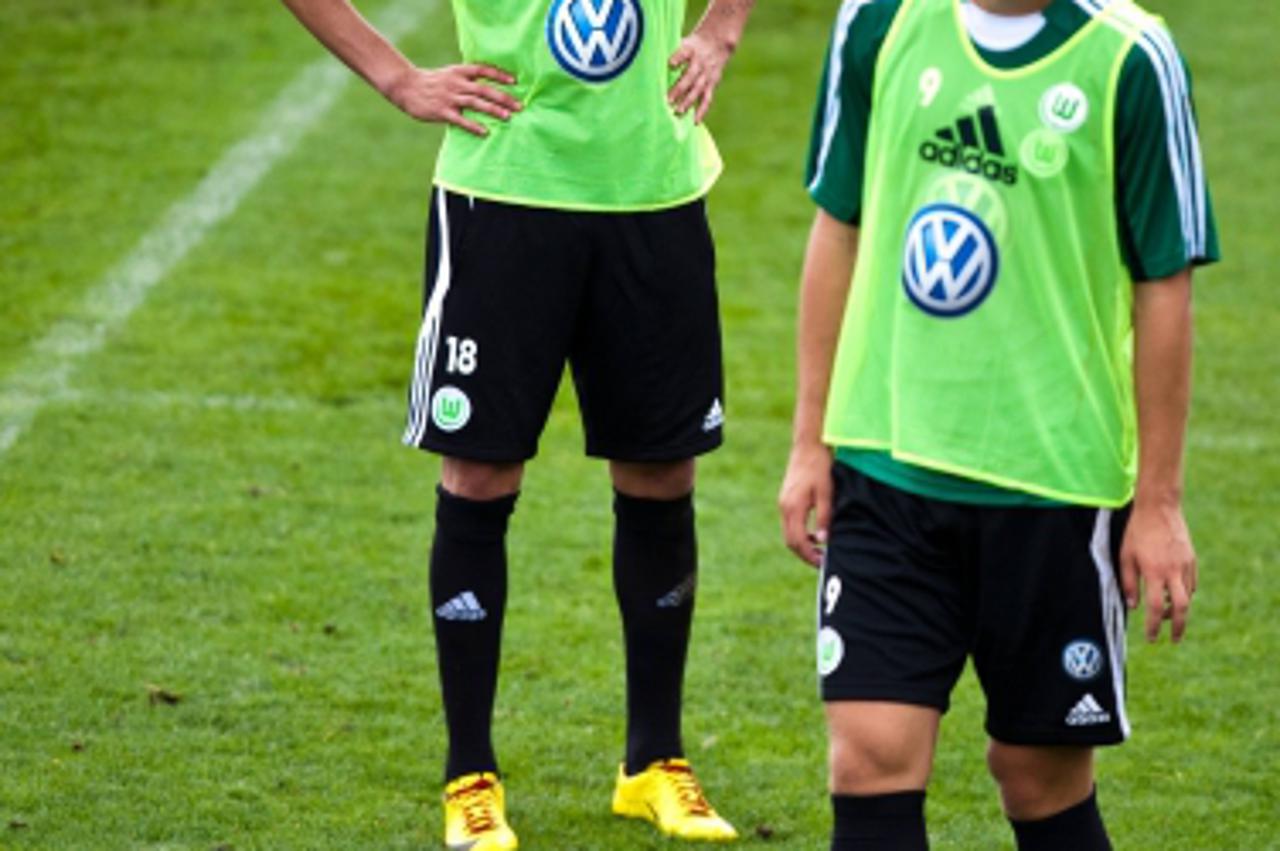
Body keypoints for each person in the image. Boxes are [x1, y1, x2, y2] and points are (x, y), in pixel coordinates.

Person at [282, 0, 754, 847]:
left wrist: (724, 24)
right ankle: (471, 775)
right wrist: (397, 78)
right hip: (501, 196)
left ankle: (654, 764)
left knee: (661, 471)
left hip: (654, 192)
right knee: (479, 474)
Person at [778, 0, 1218, 848]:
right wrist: (810, 441)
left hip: (1053, 482)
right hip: (887, 463)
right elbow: (839, 226)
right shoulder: (877, 22)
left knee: (1038, 777)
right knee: (870, 758)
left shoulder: (1130, 57)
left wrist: (1159, 501)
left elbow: (1164, 284)